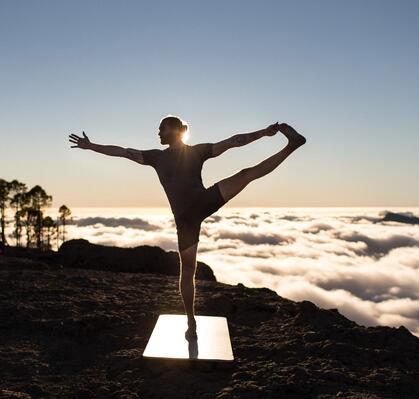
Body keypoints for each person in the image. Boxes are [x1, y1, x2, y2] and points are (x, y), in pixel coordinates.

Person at [68, 115, 306, 339]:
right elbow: (122, 152)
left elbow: (233, 142)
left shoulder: (193, 152)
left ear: (174, 129)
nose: (158, 132)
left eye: (162, 127)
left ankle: (292, 146)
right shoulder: (155, 157)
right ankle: (191, 321)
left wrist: (264, 133)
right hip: (189, 217)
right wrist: (92, 146)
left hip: (198, 206)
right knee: (188, 271)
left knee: (246, 174)